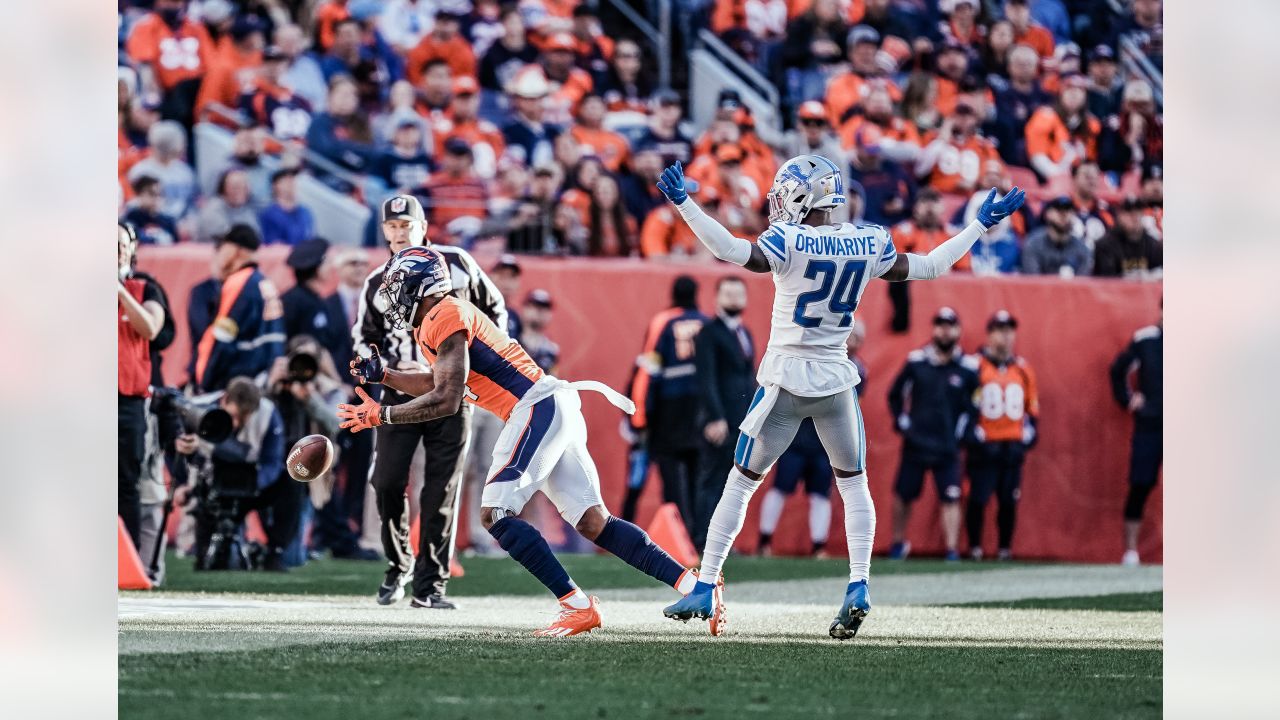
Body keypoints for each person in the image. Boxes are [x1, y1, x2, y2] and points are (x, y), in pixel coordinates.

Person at [655, 155, 1024, 638]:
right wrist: (977, 225)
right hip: (836, 383)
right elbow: (931, 265)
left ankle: (705, 583)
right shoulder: (867, 240)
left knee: (741, 482)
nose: (780, 200)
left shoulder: (790, 240)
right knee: (853, 483)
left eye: (788, 191)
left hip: (785, 381)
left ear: (807, 196)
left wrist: (685, 205)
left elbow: (731, 250)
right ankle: (859, 583)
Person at [338, 247, 717, 637]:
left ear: (424, 285)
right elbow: (443, 382)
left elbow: (447, 398)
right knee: (593, 522)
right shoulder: (437, 320)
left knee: (496, 514)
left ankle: (577, 606)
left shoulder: (444, 315)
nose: (395, 296)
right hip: (550, 405)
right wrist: (386, 376)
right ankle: (696, 587)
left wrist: (383, 415)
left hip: (536, 407)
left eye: (401, 285)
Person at [354, 195, 507, 609]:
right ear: (384, 231)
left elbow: (494, 311)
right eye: (393, 226)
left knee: (441, 489)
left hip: (454, 390)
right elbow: (365, 337)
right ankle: (398, 561)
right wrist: (370, 366)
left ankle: (430, 584)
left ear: (424, 226)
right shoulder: (375, 281)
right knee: (385, 481)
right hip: (401, 386)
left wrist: (478, 365)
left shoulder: (458, 262)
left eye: (407, 225)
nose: (400, 232)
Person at [887, 307, 980, 563]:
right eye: (940, 324)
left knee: (951, 497)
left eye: (950, 325)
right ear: (933, 329)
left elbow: (975, 404)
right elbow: (895, 394)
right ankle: (897, 543)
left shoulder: (968, 368)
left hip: (947, 445)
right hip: (916, 442)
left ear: (958, 330)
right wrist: (902, 422)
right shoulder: (917, 361)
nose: (945, 330)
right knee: (903, 495)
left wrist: (964, 433)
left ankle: (951, 549)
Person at [171, 377, 289, 570]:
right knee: (205, 562)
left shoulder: (268, 414)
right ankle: (203, 550)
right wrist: (181, 482)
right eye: (233, 416)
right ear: (224, 400)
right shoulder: (199, 409)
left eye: (244, 417)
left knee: (292, 481)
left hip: (250, 484)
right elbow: (176, 447)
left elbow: (273, 462)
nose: (235, 424)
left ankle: (275, 551)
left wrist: (252, 484)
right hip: (210, 482)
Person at [621, 276, 707, 536]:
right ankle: (698, 535)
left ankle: (678, 533)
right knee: (698, 475)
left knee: (668, 476)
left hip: (668, 409)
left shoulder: (663, 321)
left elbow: (648, 370)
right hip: (702, 410)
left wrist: (640, 417)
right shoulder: (707, 323)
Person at [965, 311, 1039, 560]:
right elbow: (965, 402)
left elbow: (1032, 408)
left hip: (1012, 444)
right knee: (978, 498)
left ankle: (1004, 549)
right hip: (985, 444)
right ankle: (975, 547)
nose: (1004, 336)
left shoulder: (1023, 368)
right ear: (989, 334)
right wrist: (972, 433)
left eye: (1008, 330)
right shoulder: (975, 365)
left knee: (1008, 500)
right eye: (999, 330)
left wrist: (1029, 434)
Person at [692, 277, 756, 552]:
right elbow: (706, 379)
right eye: (728, 293)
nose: (734, 299)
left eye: (738, 294)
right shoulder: (708, 332)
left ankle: (720, 541)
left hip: (741, 420)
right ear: (717, 298)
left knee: (731, 483)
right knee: (713, 479)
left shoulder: (745, 333)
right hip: (721, 420)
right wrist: (715, 417)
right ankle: (702, 540)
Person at [119, 223, 167, 551]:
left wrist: (118, 290)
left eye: (120, 244)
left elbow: (150, 327)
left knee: (126, 484)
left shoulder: (145, 288)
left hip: (127, 401)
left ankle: (128, 564)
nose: (115, 250)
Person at [194, 224, 285, 392]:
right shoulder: (263, 282)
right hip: (262, 378)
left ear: (237, 250)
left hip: (239, 383)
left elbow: (223, 337)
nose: (219, 252)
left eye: (223, 247)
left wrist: (206, 382)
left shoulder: (238, 283)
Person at [1110, 307, 1163, 566]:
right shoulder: (1146, 339)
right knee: (1140, 484)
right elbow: (1117, 370)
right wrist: (1128, 398)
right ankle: (1130, 551)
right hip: (1151, 422)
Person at [1093, 197, 1163, 279]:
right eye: (1129, 213)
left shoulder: (1153, 245)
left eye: (1138, 212)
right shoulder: (1105, 245)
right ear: (1119, 216)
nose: (1135, 217)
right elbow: (1105, 280)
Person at [1022, 196, 1093, 276]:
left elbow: (1083, 283)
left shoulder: (1082, 248)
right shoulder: (1033, 244)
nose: (1063, 214)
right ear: (1047, 214)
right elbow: (1032, 281)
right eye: (1058, 209)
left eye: (1068, 210)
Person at [195, 168, 261, 244]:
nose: (240, 191)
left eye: (244, 187)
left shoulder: (245, 209)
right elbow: (230, 236)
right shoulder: (213, 208)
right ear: (223, 188)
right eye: (235, 187)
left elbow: (257, 235)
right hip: (211, 252)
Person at [258, 169, 315, 246]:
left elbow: (310, 238)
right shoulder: (269, 214)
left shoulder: (305, 211)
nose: (290, 183)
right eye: (285, 180)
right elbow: (273, 246)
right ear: (275, 186)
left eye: (292, 179)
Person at [122, 175, 179, 245]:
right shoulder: (132, 217)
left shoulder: (168, 221)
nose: (156, 199)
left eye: (160, 194)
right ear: (139, 194)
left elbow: (176, 245)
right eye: (152, 194)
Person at [520, 290, 559, 374]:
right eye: (536, 306)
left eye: (545, 308)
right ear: (525, 308)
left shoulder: (551, 350)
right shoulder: (510, 337)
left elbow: (553, 380)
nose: (540, 311)